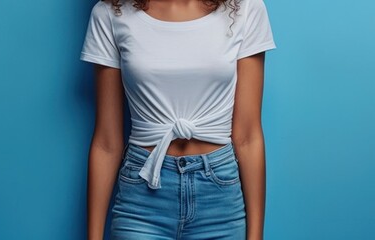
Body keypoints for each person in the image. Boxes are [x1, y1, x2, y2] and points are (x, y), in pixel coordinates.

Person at [81, 0, 276, 239]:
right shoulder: (111, 12)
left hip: (219, 200)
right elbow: (106, 142)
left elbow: (248, 136)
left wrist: (256, 236)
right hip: (142, 199)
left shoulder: (244, 8)